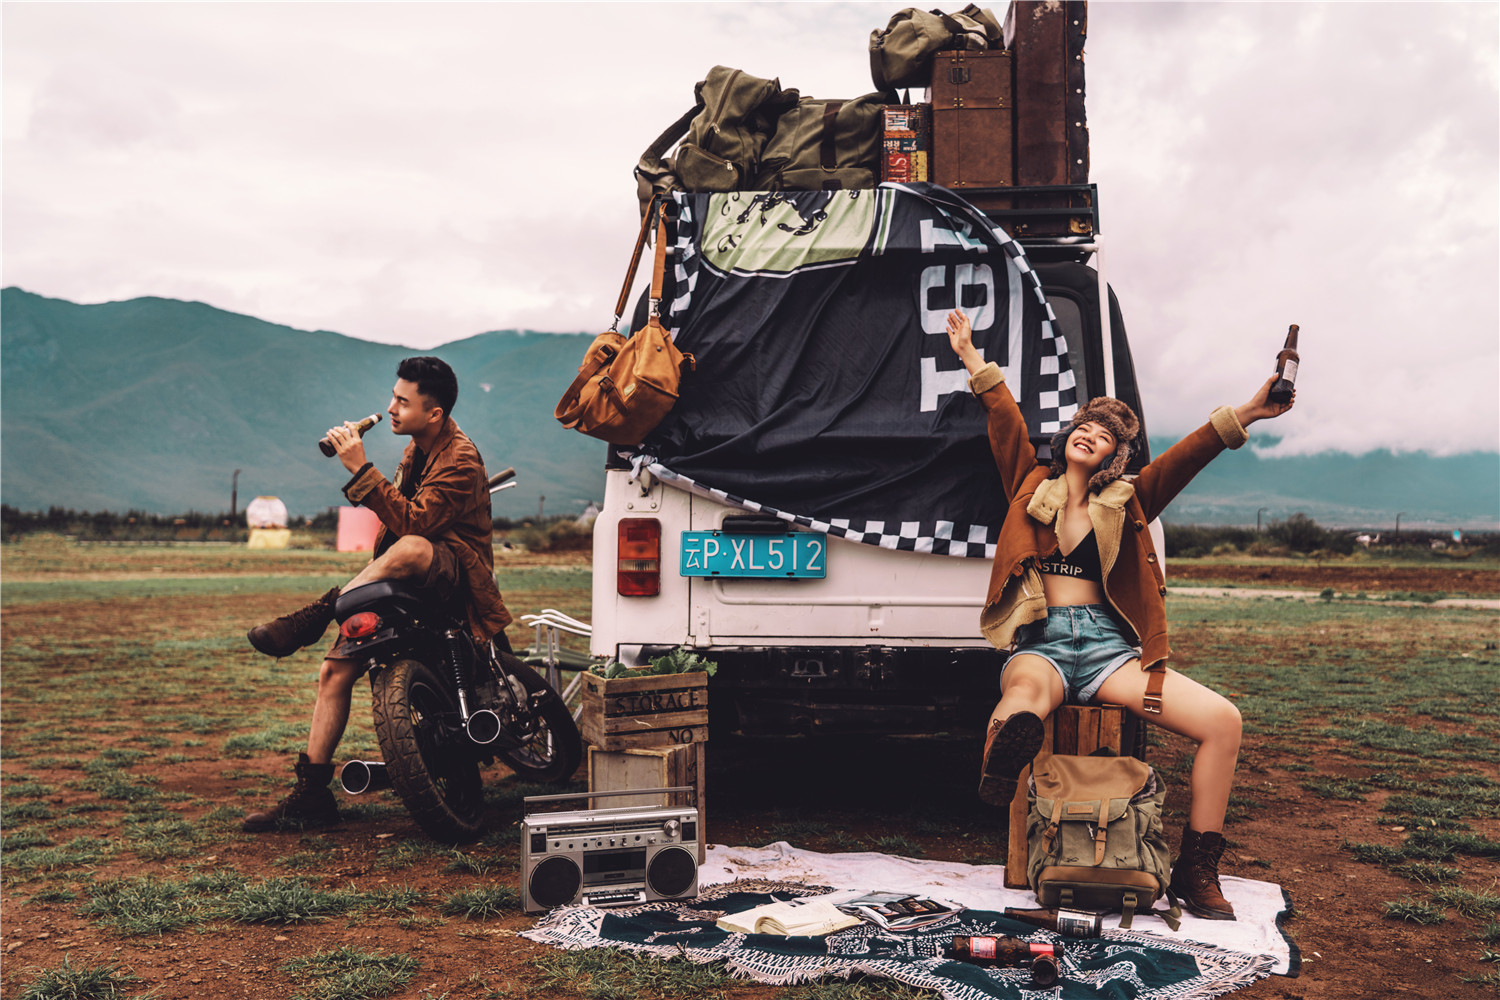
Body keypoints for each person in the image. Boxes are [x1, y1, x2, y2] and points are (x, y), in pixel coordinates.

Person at [945, 309, 1293, 921]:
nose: (1088, 435)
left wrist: (1249, 411)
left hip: (1111, 655)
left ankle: (1197, 869)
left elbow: (1188, 455)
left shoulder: (1130, 500)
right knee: (1025, 695)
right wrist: (972, 356)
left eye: (1103, 435)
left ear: (1114, 455)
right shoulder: (1029, 484)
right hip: (1043, 643)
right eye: (1082, 427)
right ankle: (1002, 754)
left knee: (1223, 721)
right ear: (1066, 439)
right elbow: (1005, 419)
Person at [241, 356, 511, 832]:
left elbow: (413, 524)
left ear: (434, 413)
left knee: (411, 545)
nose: (390, 408)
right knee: (333, 671)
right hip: (404, 577)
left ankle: (319, 612)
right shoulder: (416, 448)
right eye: (392, 396)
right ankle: (312, 794)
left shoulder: (461, 459)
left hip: (454, 577)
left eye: (402, 401)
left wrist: (360, 468)